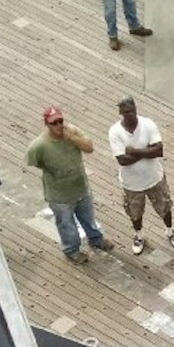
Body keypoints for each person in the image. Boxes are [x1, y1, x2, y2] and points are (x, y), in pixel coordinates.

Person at [26, 107, 111, 263]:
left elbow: (89, 148)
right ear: (47, 124)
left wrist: (71, 137)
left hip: (81, 187)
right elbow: (35, 162)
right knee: (66, 225)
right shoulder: (39, 146)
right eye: (54, 123)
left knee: (88, 217)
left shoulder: (72, 131)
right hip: (59, 195)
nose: (59, 125)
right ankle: (71, 250)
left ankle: (96, 240)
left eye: (60, 121)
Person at [108, 97, 174, 256]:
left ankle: (170, 230)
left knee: (165, 206)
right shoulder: (114, 132)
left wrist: (134, 151)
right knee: (135, 212)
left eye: (132, 110)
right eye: (126, 112)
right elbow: (122, 160)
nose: (130, 114)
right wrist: (147, 151)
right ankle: (138, 235)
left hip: (155, 178)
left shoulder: (148, 124)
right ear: (120, 113)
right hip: (131, 183)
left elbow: (159, 150)